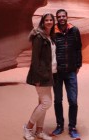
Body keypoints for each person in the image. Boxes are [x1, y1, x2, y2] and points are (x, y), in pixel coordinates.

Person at [23, 13, 57, 140]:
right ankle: (28, 128)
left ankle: (39, 131)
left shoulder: (50, 37)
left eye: (50, 20)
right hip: (41, 75)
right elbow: (35, 59)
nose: (49, 22)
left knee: (42, 102)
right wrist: (36, 77)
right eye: (46, 20)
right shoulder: (39, 37)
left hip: (49, 74)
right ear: (42, 22)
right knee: (47, 103)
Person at [51, 9, 82, 139]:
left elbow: (78, 48)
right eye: (59, 17)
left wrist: (78, 65)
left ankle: (72, 127)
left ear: (67, 17)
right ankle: (59, 125)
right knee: (58, 100)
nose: (62, 18)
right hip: (57, 73)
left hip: (70, 72)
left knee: (73, 101)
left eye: (64, 16)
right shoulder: (53, 32)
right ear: (57, 18)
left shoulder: (74, 30)